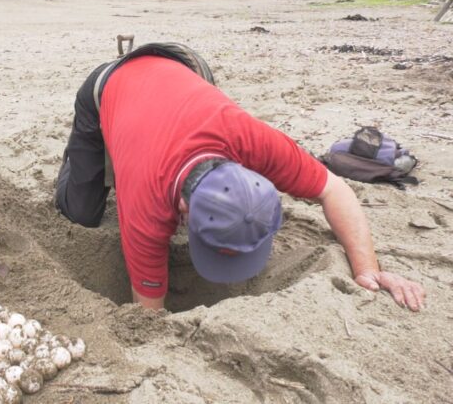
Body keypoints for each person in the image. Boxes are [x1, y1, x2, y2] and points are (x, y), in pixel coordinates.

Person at [54, 43, 426, 312]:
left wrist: (368, 271)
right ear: (183, 205)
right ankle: (78, 161)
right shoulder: (144, 204)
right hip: (107, 85)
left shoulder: (252, 138)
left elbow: (336, 190)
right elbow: (148, 311)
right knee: (82, 211)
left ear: (255, 172)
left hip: (187, 65)